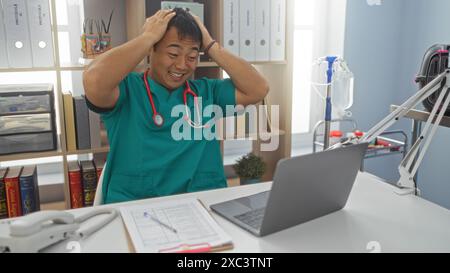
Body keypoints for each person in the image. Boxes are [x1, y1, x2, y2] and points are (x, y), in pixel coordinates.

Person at [83, 8, 269, 204]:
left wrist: (211, 45)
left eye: (191, 57)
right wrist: (147, 37)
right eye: (173, 54)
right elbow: (94, 81)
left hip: (201, 204)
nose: (182, 65)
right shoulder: (126, 91)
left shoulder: (206, 92)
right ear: (151, 50)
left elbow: (258, 88)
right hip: (137, 208)